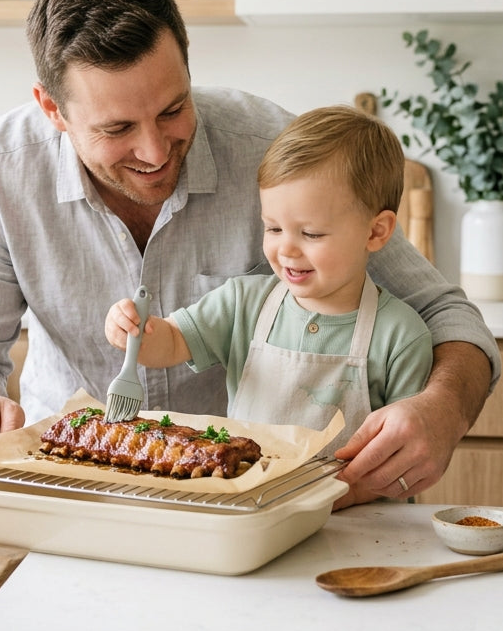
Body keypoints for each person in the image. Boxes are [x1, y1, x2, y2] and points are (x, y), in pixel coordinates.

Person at [0, 0, 500, 508]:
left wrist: (443, 409)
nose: (154, 151)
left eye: (173, 109)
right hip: (74, 492)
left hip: (257, 500)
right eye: (118, 128)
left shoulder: (274, 151)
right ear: (53, 110)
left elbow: (446, 314)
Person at [103, 105, 433, 455]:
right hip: (250, 503)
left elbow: (402, 450)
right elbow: (170, 342)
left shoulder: (402, 336)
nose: (286, 249)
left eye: (311, 233)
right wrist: (136, 333)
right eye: (273, 228)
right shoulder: (243, 302)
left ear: (376, 231)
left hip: (357, 508)